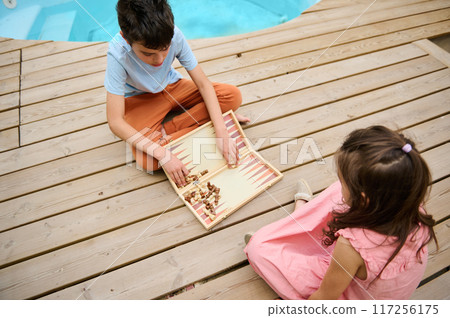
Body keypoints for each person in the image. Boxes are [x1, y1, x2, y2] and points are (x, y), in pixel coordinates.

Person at [245, 126, 437, 299]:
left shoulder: (350, 247)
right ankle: (300, 222)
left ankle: (295, 223)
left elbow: (324, 299)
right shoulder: (410, 204)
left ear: (363, 200)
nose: (340, 181)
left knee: (258, 247)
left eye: (342, 179)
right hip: (365, 267)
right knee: (339, 192)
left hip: (346, 289)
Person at [105, 0, 249, 186]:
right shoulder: (117, 53)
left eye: (165, 49)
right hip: (140, 100)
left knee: (232, 96)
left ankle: (169, 130)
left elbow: (203, 85)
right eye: (148, 54)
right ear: (126, 39)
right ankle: (206, 121)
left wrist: (221, 131)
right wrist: (164, 155)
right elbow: (115, 122)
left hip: (173, 86)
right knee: (148, 161)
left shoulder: (175, 35)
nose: (159, 59)